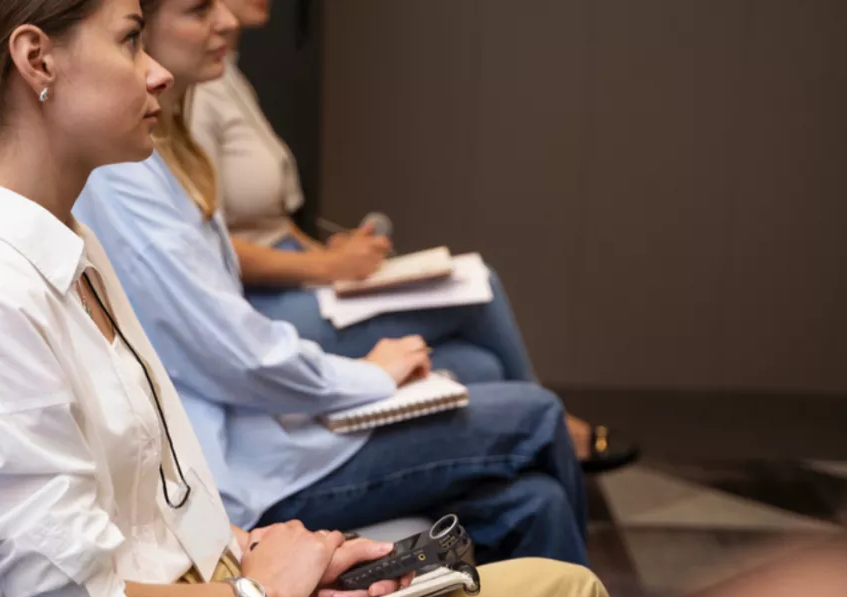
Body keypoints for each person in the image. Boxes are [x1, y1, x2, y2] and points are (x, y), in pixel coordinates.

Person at [0, 0, 614, 597]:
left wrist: (256, 554)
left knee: (545, 570)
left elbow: (135, 524)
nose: (155, 71)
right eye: (128, 40)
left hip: (223, 591)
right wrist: (258, 594)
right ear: (37, 60)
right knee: (565, 591)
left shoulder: (67, 247)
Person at [76, 0, 592, 567]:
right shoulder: (123, 175)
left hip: (264, 433)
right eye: (197, 11)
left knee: (535, 502)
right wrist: (368, 376)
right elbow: (233, 355)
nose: (226, 21)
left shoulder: (165, 152)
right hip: (242, 473)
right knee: (537, 414)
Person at [189, 0, 637, 471]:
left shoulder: (228, 76)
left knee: (477, 365)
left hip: (293, 277)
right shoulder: (193, 97)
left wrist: (329, 252)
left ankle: (511, 471)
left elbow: (267, 220)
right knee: (476, 288)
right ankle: (554, 427)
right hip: (259, 304)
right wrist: (326, 268)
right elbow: (210, 245)